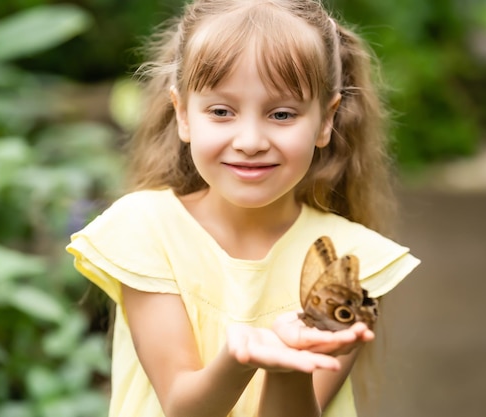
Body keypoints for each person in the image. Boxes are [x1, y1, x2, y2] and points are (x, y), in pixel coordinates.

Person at [67, 0, 420, 416]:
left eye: (282, 113)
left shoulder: (345, 261)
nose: (250, 140)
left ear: (326, 120)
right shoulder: (146, 230)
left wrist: (288, 367)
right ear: (183, 114)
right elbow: (183, 407)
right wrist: (241, 359)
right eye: (221, 111)